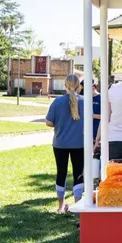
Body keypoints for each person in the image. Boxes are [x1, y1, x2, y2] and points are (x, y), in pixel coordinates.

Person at [46, 74, 85, 212]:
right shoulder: (85, 102)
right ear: (79, 86)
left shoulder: (57, 102)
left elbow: (49, 122)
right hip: (79, 143)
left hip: (60, 143)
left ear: (65, 86)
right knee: (78, 174)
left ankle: (60, 206)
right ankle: (78, 206)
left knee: (61, 173)